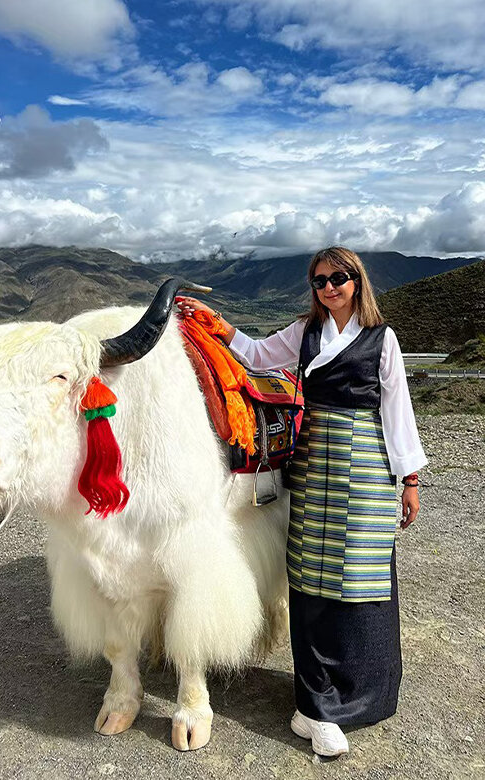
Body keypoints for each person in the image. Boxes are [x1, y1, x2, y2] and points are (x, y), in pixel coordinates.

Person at [176, 246, 427, 758]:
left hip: (368, 468)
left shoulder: (382, 338)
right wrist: (216, 324)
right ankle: (315, 705)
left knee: (362, 580)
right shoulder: (304, 332)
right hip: (313, 467)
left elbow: (396, 410)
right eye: (319, 280)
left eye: (338, 278)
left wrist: (410, 478)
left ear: (357, 280)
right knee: (311, 583)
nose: (329, 287)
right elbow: (255, 355)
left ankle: (360, 694)